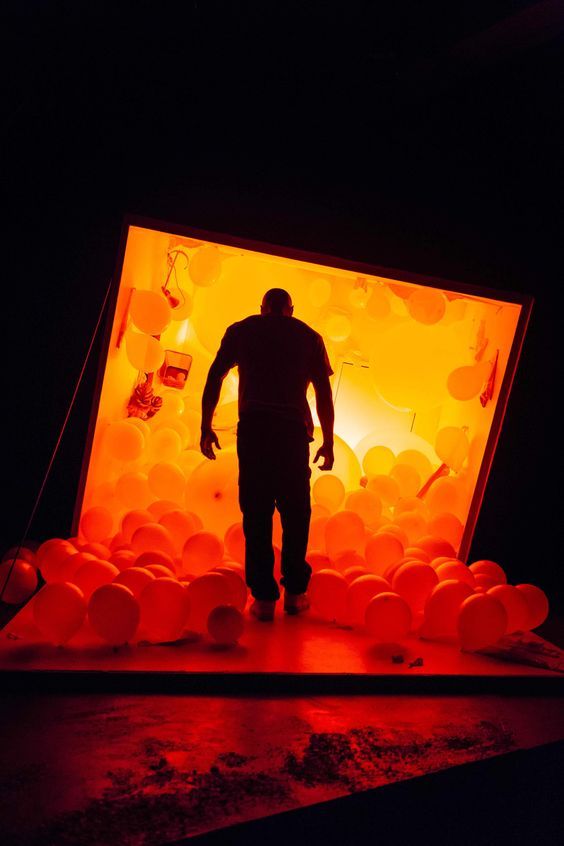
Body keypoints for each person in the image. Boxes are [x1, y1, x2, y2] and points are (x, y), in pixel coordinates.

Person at [200, 288, 335, 621]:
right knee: (296, 514)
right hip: (291, 432)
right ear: (291, 309)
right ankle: (295, 593)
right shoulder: (309, 336)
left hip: (255, 428)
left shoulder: (242, 330)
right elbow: (323, 392)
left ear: (262, 308)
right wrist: (327, 440)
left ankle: (262, 599)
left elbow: (215, 374)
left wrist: (205, 425)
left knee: (256, 514)